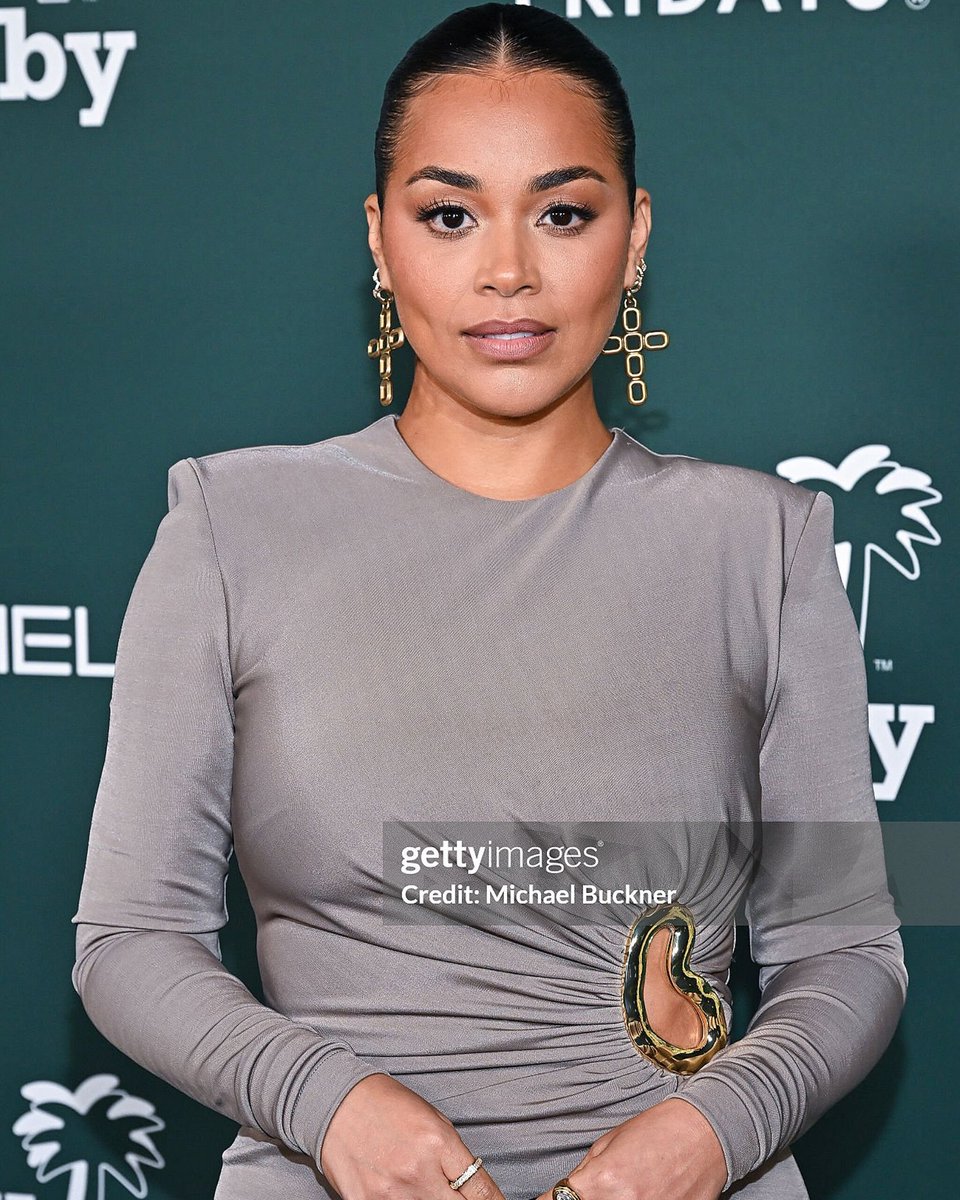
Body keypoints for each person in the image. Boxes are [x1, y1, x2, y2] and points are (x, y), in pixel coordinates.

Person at [70, 5, 907, 1200]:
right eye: (448, 214)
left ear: (635, 235)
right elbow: (129, 943)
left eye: (563, 212)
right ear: (379, 238)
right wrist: (333, 1108)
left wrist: (710, 1133)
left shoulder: (764, 545)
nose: (507, 269)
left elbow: (846, 949)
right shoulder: (228, 530)